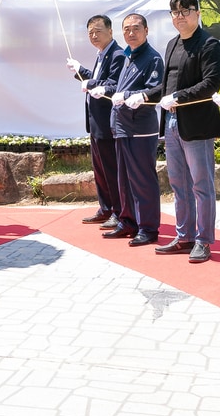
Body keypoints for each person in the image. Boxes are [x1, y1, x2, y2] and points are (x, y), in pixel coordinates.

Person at [148, 0, 220, 263]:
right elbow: (168, 85)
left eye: (185, 10)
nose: (180, 16)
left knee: (201, 184)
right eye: (175, 12)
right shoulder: (172, 44)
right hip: (170, 122)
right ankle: (185, 236)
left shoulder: (209, 44)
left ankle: (203, 240)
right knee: (178, 183)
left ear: (198, 12)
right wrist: (146, 96)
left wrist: (178, 98)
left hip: (197, 123)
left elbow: (211, 84)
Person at [107, 14, 165, 246]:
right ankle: (128, 221)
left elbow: (157, 88)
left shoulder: (152, 58)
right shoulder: (128, 57)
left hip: (140, 127)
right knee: (124, 179)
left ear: (146, 30)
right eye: (127, 29)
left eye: (136, 28)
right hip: (122, 127)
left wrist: (132, 96)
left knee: (142, 179)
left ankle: (149, 228)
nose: (131, 33)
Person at [69, 15, 126, 226]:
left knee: (110, 169)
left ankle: (118, 211)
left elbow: (112, 84)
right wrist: (80, 71)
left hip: (107, 121)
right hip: (95, 122)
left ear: (110, 32)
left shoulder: (117, 54)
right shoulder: (102, 54)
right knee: (100, 169)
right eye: (90, 32)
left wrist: (91, 82)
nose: (94, 35)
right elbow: (97, 78)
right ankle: (105, 207)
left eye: (98, 31)